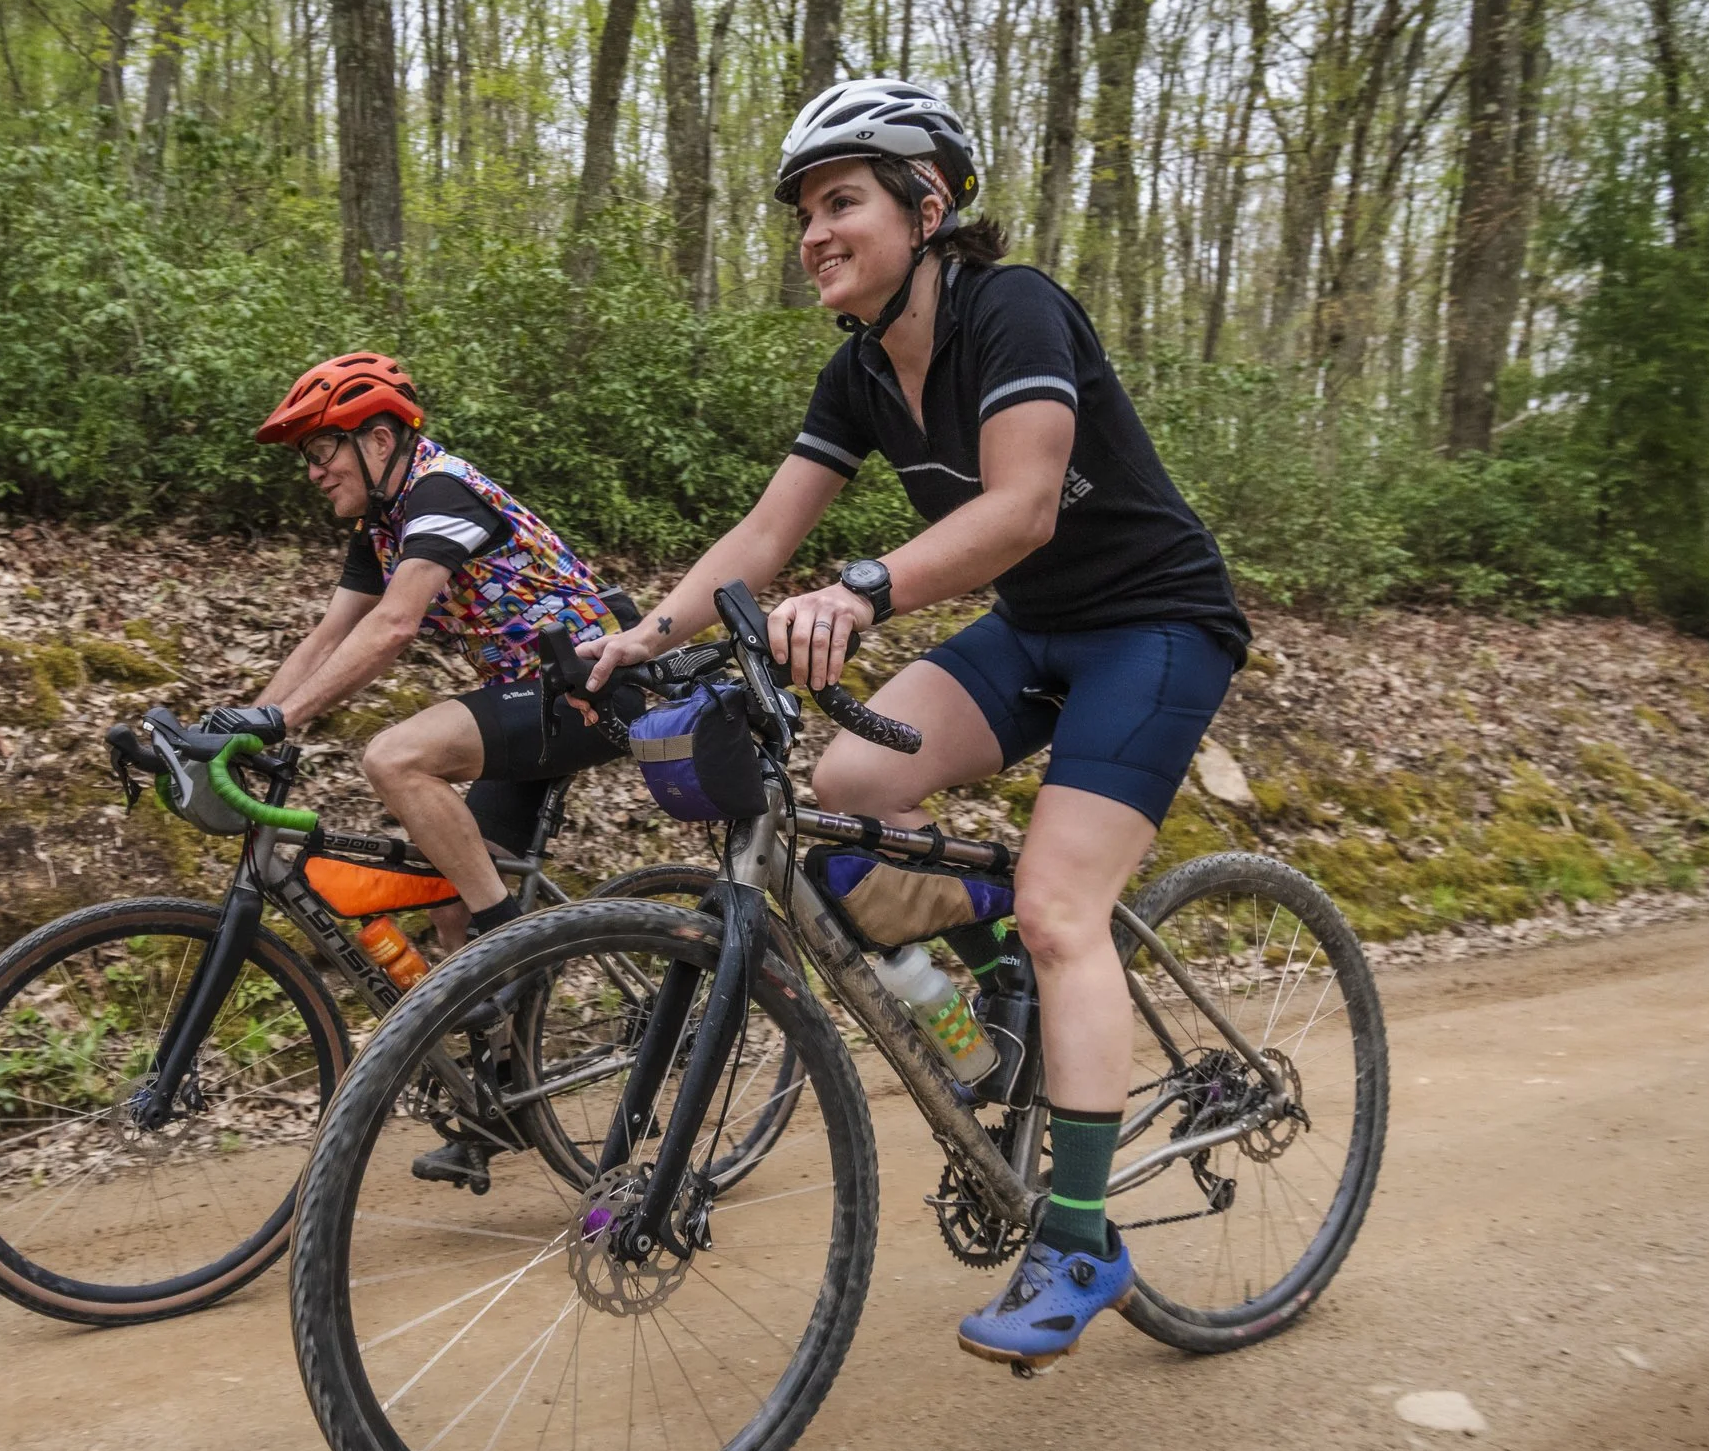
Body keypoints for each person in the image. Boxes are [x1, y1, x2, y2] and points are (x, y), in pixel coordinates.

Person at [579, 81, 1252, 1374]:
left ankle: (1077, 1238)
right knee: (841, 794)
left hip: (1155, 626)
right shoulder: (859, 369)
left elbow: (1026, 506)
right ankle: (988, 995)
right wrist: (636, 638)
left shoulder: (1014, 307)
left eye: (842, 202)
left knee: (1064, 905)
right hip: (1039, 630)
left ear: (926, 207)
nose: (814, 232)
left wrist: (864, 589)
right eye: (803, 213)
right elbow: (765, 538)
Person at [207, 352, 640, 1184]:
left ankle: (503, 956)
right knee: (449, 904)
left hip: (595, 685)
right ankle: (498, 1105)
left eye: (321, 448)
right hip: (534, 693)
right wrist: (241, 730)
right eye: (305, 455)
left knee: (395, 756)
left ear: (378, 437)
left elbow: (396, 627)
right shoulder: (385, 521)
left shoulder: (442, 492)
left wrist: (286, 719)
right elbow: (326, 637)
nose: (312, 470)